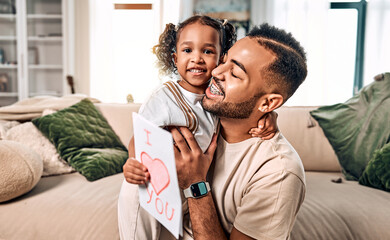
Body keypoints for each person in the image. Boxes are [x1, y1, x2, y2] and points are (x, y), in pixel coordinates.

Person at [170, 23, 308, 239]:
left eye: (234, 73)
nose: (215, 72)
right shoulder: (198, 113)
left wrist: (195, 184)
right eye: (223, 60)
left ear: (268, 102)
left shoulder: (279, 172)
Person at [123, 15, 277, 185]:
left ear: (220, 59)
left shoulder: (219, 97)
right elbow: (139, 138)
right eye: (188, 50)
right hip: (151, 187)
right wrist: (132, 162)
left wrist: (268, 117)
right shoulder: (163, 98)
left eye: (208, 51)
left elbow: (246, 107)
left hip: (188, 189)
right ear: (175, 58)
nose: (197, 59)